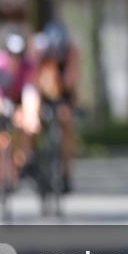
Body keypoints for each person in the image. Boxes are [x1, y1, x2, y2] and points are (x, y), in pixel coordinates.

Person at [0, 32, 35, 200]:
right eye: (12, 55)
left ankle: (19, 166)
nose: (15, 59)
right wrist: (0, 108)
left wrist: (28, 115)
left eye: (19, 56)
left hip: (17, 105)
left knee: (24, 130)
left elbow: (30, 94)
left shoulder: (29, 68)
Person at [27, 19, 80, 193]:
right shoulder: (37, 48)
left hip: (63, 91)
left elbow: (70, 82)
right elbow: (32, 78)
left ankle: (66, 173)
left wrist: (59, 85)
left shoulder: (72, 51)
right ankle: (31, 157)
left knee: (66, 123)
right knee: (32, 117)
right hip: (40, 90)